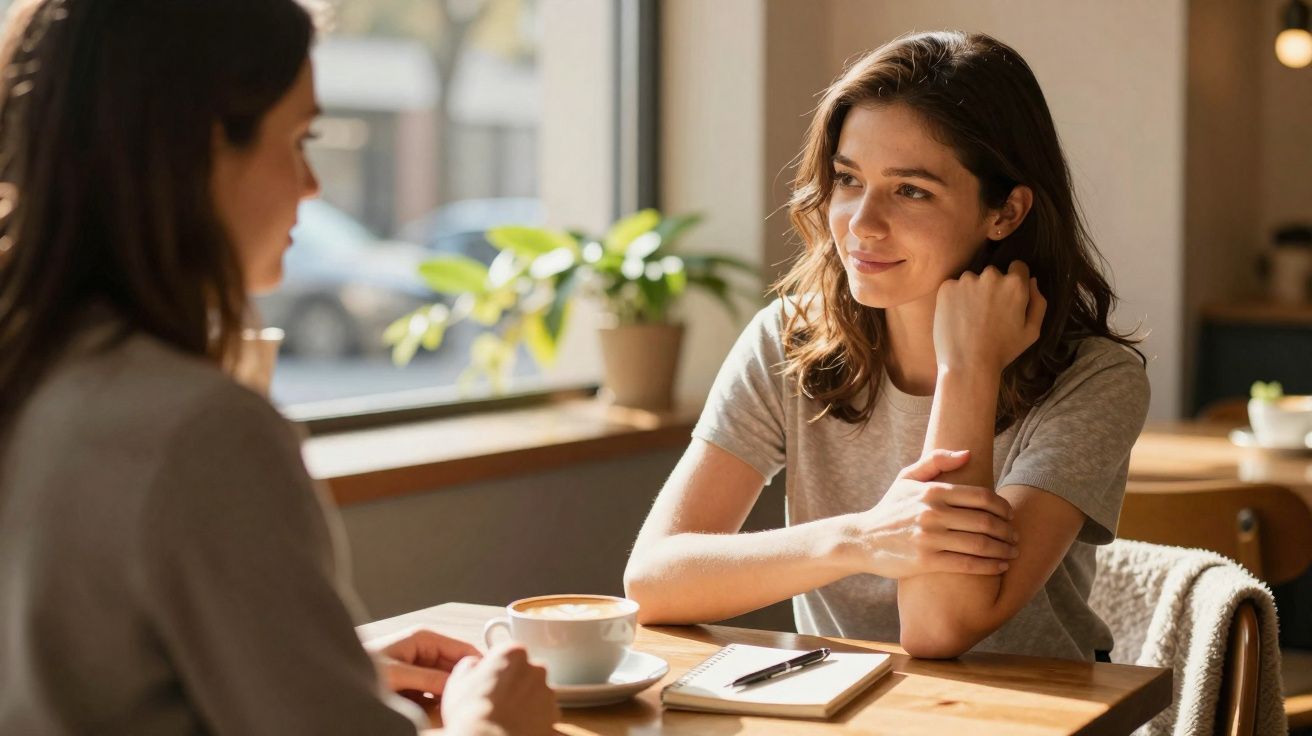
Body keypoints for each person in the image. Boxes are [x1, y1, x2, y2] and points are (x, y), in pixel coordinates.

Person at [0, 0, 557, 733]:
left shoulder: (36, 379)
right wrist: (492, 722)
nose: (312, 184)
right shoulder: (200, 433)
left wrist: (323, 667)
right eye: (299, 139)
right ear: (202, 150)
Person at [624, 31, 1149, 662]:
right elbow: (651, 581)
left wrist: (968, 368)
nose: (861, 224)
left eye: (911, 190)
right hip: (841, 702)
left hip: (1037, 706)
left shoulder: (1096, 379)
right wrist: (861, 538)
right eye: (848, 179)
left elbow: (939, 628)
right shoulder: (789, 340)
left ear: (1005, 212)